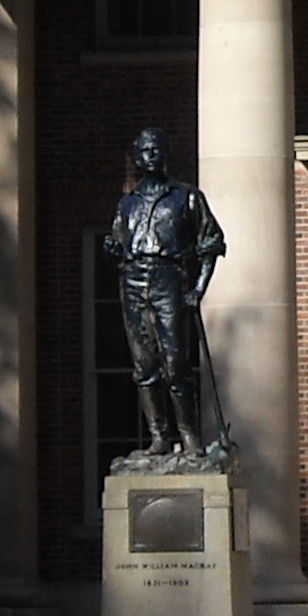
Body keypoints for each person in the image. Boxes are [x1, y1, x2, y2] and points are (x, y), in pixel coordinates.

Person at [101, 126, 231, 469]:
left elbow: (211, 243)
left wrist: (198, 288)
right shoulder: (127, 203)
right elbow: (117, 242)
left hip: (168, 278)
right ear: (136, 156)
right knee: (145, 366)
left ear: (166, 153)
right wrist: (112, 249)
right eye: (144, 150)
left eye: (156, 149)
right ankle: (159, 437)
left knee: (176, 363)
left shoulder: (186, 197)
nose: (150, 155)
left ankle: (189, 438)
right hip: (132, 279)